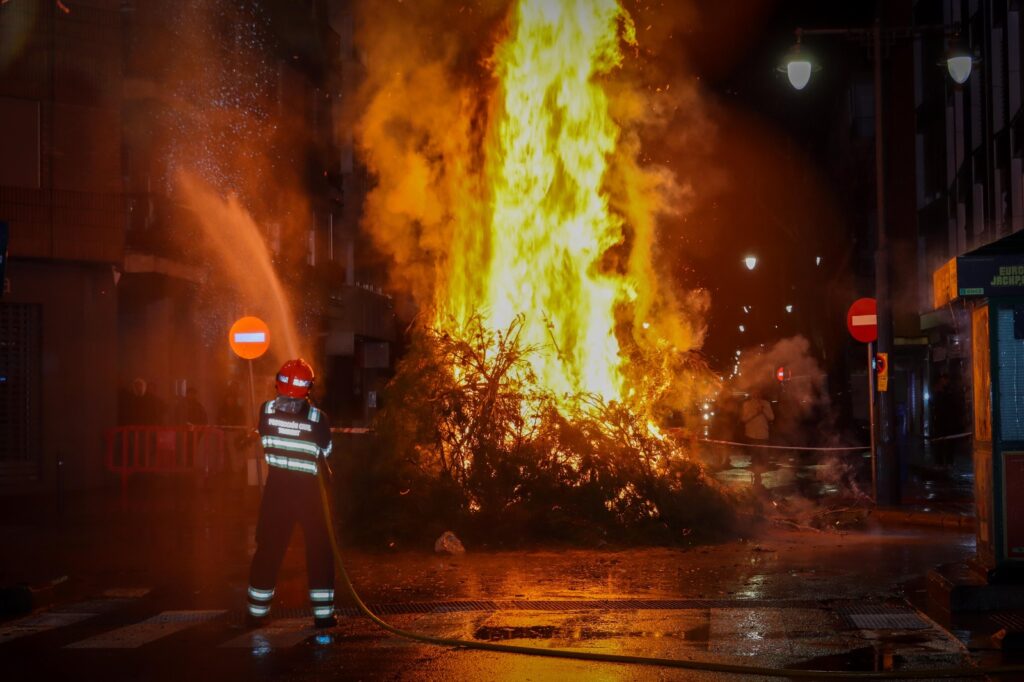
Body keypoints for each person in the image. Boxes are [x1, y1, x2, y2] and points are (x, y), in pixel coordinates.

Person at [247, 358, 336, 629]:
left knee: (268, 549)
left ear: (279, 381)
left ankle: (256, 612)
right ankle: (323, 617)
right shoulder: (317, 418)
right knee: (319, 550)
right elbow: (327, 451)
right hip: (309, 493)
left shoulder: (266, 410)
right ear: (308, 387)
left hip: (277, 490)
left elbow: (264, 437)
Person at [741, 393, 774, 489]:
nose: (756, 395)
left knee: (763, 458)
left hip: (763, 435)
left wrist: (763, 409)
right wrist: (756, 412)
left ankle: (759, 476)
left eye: (758, 392)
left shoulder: (766, 404)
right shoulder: (747, 404)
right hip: (751, 435)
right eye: (754, 392)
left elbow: (771, 417)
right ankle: (756, 478)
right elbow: (744, 419)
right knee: (755, 457)